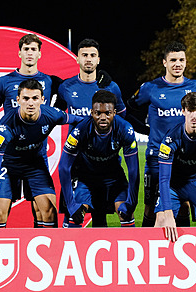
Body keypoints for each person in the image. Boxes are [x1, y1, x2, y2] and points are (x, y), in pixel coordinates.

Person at [0, 33, 61, 228]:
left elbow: (74, 93)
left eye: (33, 49)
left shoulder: (49, 82)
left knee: (46, 210)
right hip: (9, 156)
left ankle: (42, 256)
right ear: (19, 53)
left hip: (37, 157)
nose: (30, 53)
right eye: (26, 49)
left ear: (40, 54)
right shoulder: (4, 82)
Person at [0, 79, 81, 231]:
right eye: (26, 98)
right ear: (18, 100)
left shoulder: (51, 114)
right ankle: (3, 252)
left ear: (42, 100)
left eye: (35, 98)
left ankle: (48, 253)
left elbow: (82, 121)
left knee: (49, 211)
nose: (30, 103)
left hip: (35, 164)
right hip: (9, 165)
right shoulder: (6, 126)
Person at [126, 41, 196, 228]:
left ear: (186, 62)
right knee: (151, 207)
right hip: (156, 157)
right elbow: (128, 110)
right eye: (173, 60)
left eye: (181, 60)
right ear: (164, 62)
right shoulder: (151, 88)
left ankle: (182, 249)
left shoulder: (195, 87)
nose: (178, 64)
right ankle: (147, 249)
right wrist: (146, 130)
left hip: (184, 159)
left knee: (184, 205)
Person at [56, 38, 126, 226]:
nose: (88, 59)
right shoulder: (66, 87)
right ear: (77, 58)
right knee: (73, 215)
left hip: (105, 162)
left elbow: (122, 116)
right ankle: (65, 252)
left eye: (92, 55)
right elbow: (58, 114)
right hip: (76, 162)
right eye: (84, 55)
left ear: (98, 60)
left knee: (100, 216)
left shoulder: (111, 87)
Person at [58, 90, 139, 228]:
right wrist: (71, 205)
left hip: (113, 178)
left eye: (107, 113)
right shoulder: (80, 130)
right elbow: (63, 167)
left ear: (114, 112)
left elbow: (133, 170)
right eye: (98, 113)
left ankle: (128, 248)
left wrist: (132, 203)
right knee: (74, 215)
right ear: (91, 112)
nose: (103, 117)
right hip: (86, 178)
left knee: (126, 213)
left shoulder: (125, 129)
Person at [154, 92, 196, 242]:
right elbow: (164, 178)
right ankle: (159, 264)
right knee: (161, 222)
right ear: (183, 111)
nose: (194, 116)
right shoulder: (170, 139)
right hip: (174, 184)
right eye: (190, 111)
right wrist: (168, 213)